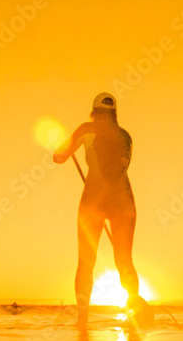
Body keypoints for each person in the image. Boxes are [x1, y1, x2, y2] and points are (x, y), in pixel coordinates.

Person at [53, 92, 148, 328]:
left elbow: (59, 156)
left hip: (93, 201)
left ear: (94, 112)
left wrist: (63, 148)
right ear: (115, 114)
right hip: (124, 202)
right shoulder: (126, 136)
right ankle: (135, 313)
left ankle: (82, 319)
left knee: (86, 262)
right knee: (124, 261)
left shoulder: (86, 129)